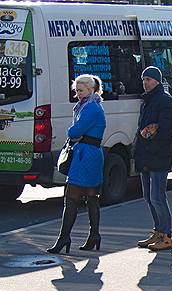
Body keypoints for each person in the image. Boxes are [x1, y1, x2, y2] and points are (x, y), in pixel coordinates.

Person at [47, 74, 106, 254]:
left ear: (91, 89)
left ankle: (64, 238)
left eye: (81, 90)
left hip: (84, 155)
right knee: (91, 198)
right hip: (91, 154)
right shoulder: (93, 106)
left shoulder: (90, 108)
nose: (78, 94)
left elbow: (74, 131)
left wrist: (73, 131)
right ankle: (94, 235)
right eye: (77, 90)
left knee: (71, 198)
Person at [133, 67, 172, 251]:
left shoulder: (165, 100)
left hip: (159, 155)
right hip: (146, 155)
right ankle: (158, 231)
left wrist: (149, 134)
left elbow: (167, 129)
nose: (146, 82)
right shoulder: (147, 101)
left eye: (150, 79)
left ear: (158, 81)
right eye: (144, 79)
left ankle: (166, 235)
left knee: (158, 196)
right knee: (148, 197)